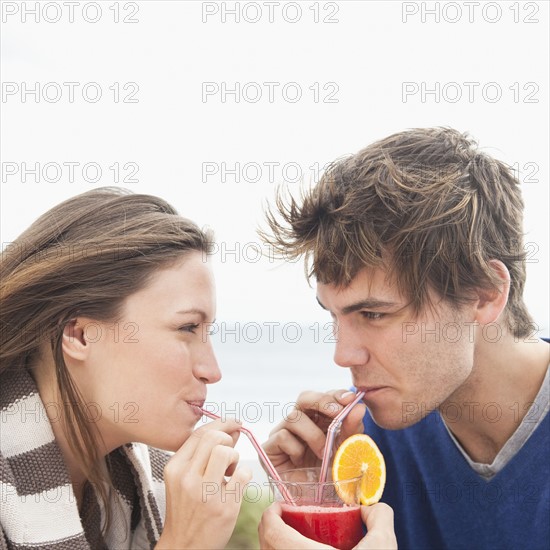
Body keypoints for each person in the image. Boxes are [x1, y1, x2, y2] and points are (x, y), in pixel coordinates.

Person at [258, 128, 549, 549]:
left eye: (374, 314)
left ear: (484, 294)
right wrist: (323, 510)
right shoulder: (364, 452)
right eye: (335, 317)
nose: (343, 355)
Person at [0, 187, 252, 549]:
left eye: (207, 333)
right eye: (187, 328)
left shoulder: (146, 487)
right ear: (80, 335)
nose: (212, 371)